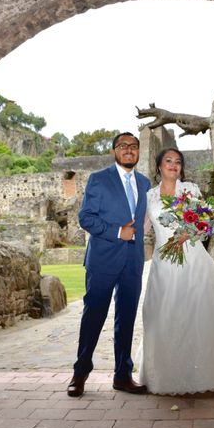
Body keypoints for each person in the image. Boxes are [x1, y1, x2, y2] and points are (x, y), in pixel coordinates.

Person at [137, 148, 214, 394]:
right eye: (168, 161)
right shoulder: (149, 197)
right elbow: (143, 228)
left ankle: (208, 374)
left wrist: (190, 232)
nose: (173, 165)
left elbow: (207, 223)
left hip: (193, 260)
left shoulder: (190, 190)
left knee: (198, 314)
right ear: (158, 166)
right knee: (161, 314)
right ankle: (167, 375)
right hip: (164, 263)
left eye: (178, 162)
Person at [67, 132, 151, 397]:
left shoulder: (145, 182)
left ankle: (122, 375)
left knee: (126, 319)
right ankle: (80, 374)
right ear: (114, 151)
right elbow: (86, 217)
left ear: (138, 152)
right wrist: (117, 232)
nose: (129, 150)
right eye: (123, 146)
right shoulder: (99, 179)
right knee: (93, 317)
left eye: (134, 146)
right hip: (102, 260)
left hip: (133, 262)